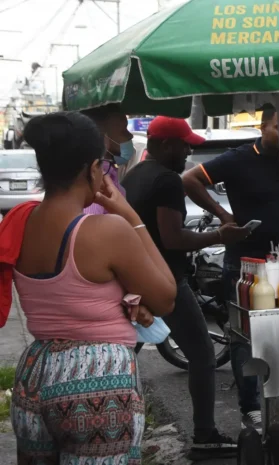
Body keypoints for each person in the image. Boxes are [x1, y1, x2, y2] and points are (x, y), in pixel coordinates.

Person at [4, 111, 176, 464]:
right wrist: (130, 215)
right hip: (95, 378)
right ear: (92, 168)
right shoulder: (106, 230)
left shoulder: (19, 220)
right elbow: (166, 297)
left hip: (34, 373)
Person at [122, 116, 251, 460]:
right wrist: (219, 235)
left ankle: (119, 421)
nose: (190, 150)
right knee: (202, 353)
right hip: (164, 280)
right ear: (165, 145)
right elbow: (172, 238)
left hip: (133, 278)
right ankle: (205, 434)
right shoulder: (166, 180)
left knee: (124, 353)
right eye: (185, 144)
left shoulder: (134, 175)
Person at [182, 106, 279, 431]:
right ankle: (250, 406)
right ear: (263, 127)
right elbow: (190, 179)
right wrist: (224, 217)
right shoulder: (239, 159)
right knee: (246, 336)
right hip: (245, 265)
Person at [81, 104, 135, 215]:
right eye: (123, 130)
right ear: (104, 138)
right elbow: (92, 227)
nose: (130, 136)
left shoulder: (109, 174)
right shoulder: (98, 183)